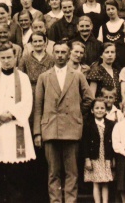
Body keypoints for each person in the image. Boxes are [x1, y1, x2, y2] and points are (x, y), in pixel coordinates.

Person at [33, 41, 94, 203]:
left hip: (71, 130)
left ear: (68, 55)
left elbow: (89, 98)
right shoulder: (44, 77)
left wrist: (76, 113)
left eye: (63, 52)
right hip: (50, 129)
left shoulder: (77, 75)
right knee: (53, 172)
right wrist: (37, 133)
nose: (60, 55)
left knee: (71, 172)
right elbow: (38, 106)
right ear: (53, 54)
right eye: (57, 52)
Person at [0, 42, 35, 202]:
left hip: (16, 128)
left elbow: (27, 101)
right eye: (2, 58)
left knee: (16, 175)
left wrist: (11, 115)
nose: (6, 61)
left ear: (15, 57)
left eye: (9, 57)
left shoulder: (23, 78)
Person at [83, 97, 115, 203]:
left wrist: (112, 158)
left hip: (106, 157)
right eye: (97, 108)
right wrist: (87, 159)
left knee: (105, 181)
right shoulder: (88, 125)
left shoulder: (111, 124)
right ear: (92, 110)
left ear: (106, 110)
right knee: (96, 181)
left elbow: (113, 143)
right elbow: (85, 143)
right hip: (94, 157)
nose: (100, 110)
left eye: (102, 108)